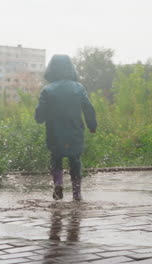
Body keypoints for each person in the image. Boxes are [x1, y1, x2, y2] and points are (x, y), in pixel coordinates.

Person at [35, 54, 97, 201]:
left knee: (55, 158)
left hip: (54, 132)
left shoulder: (47, 90)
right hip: (74, 131)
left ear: (52, 69)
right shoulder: (78, 88)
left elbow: (39, 114)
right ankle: (76, 193)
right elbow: (88, 109)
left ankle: (58, 183)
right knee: (75, 160)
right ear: (70, 68)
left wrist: (40, 118)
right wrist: (92, 125)